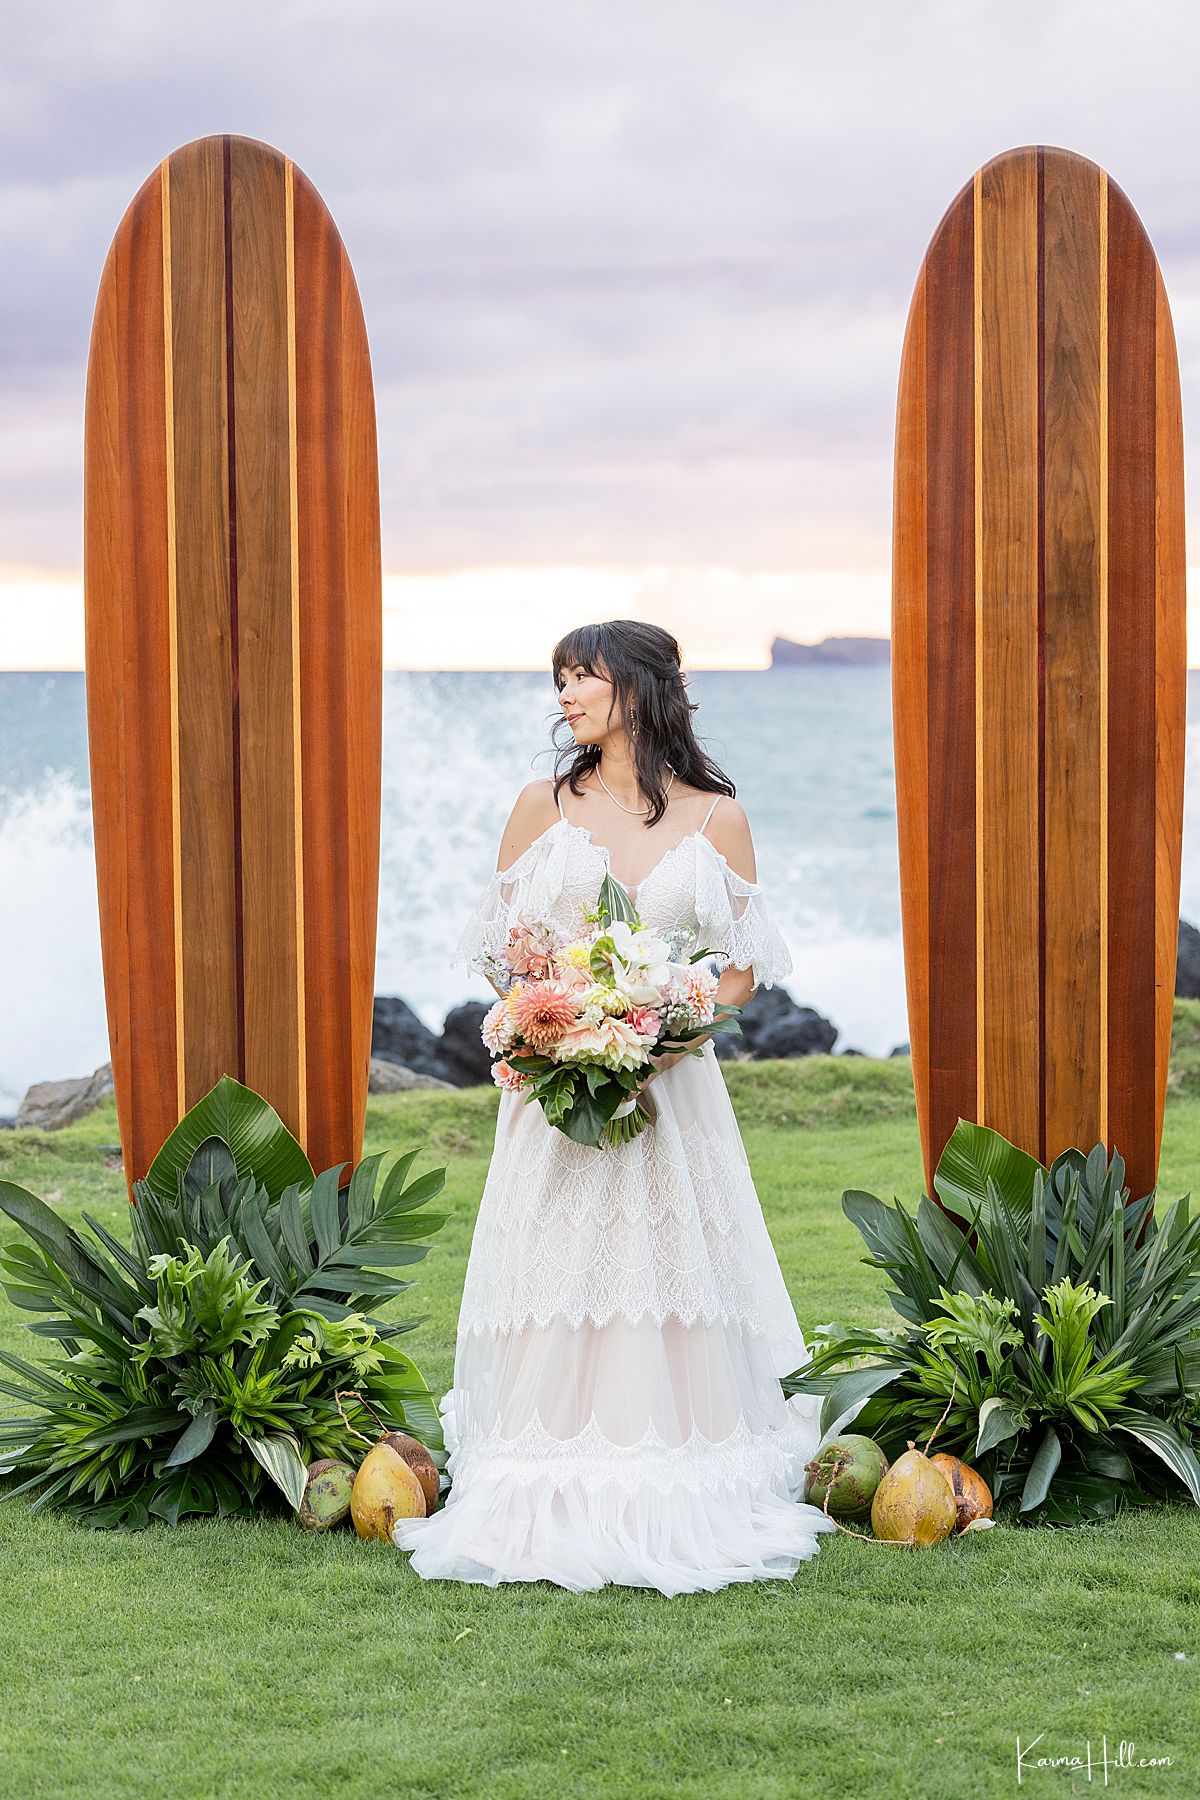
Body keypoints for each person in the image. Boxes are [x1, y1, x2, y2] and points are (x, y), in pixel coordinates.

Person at [392, 620, 836, 1594]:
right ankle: (538, 1460)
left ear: (638, 686)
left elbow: (746, 970)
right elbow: (503, 957)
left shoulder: (716, 816)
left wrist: (666, 1025)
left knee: (666, 1261)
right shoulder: (538, 808)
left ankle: (680, 1452)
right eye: (559, 680)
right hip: (555, 1092)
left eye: (581, 676)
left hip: (672, 1093)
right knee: (562, 1261)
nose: (564, 695)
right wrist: (560, 1025)